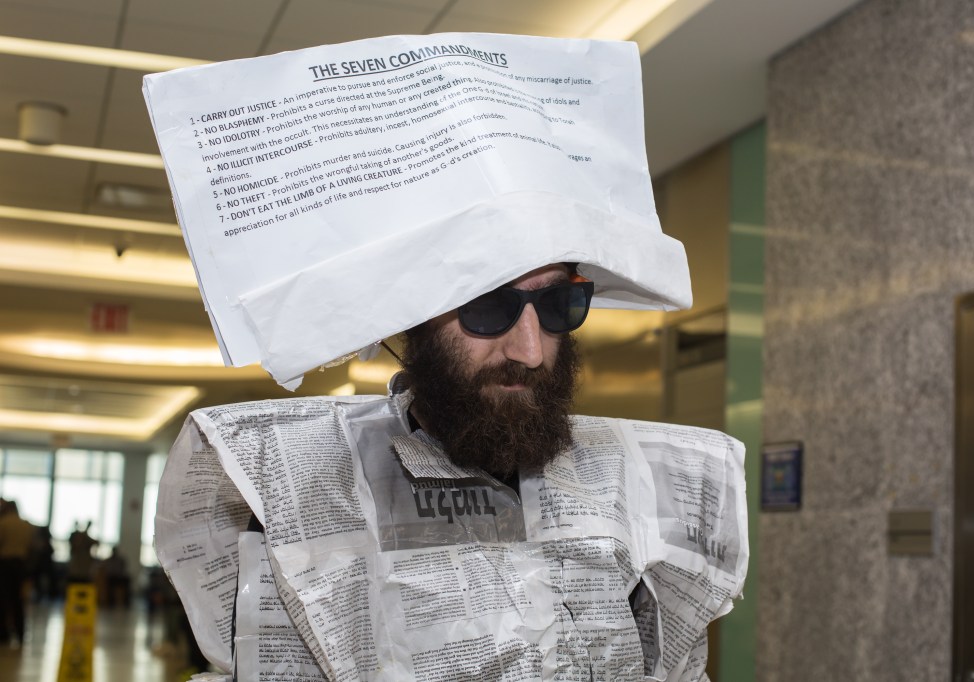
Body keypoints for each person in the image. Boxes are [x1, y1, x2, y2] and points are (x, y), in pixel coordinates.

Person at [148, 33, 748, 682]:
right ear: (412, 320)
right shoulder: (297, 490)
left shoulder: (635, 491)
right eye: (488, 307)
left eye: (557, 305)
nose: (529, 349)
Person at [0, 500, 38, 647]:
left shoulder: (3, 523)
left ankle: (3, 633)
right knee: (19, 599)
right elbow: (33, 548)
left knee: (3, 599)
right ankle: (20, 632)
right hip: (21, 565)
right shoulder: (26, 526)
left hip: (5, 564)